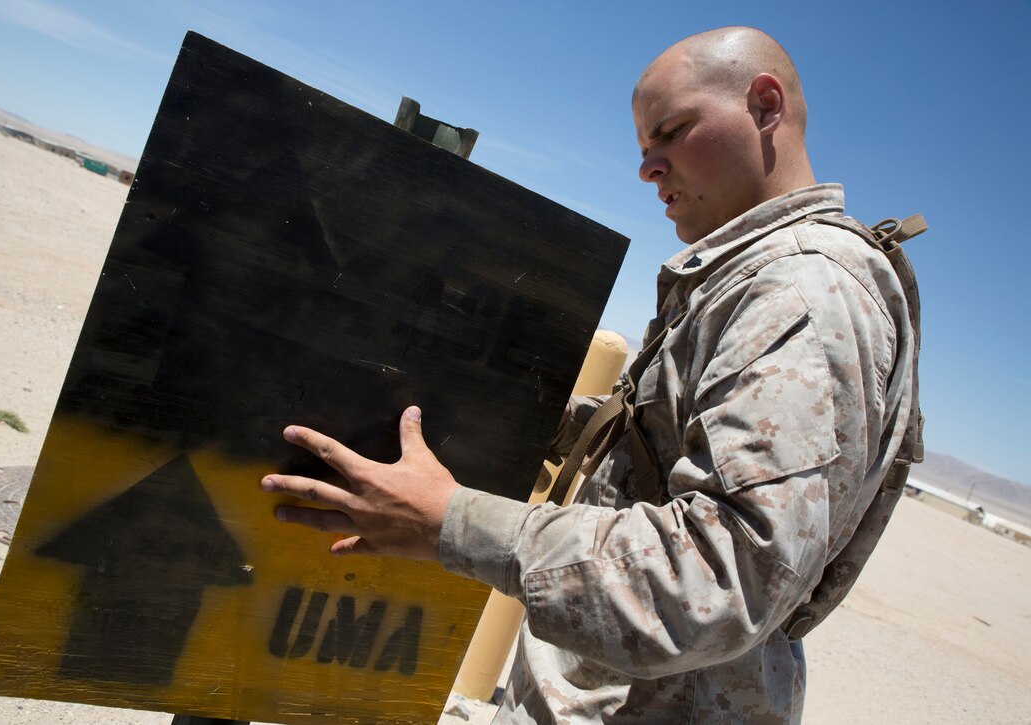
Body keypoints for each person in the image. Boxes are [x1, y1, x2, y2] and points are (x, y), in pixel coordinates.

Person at [261, 26, 918, 723]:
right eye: (644, 149)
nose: (648, 169)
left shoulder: (800, 295)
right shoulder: (753, 278)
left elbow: (723, 575)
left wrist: (451, 522)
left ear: (764, 105)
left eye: (670, 132)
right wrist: (522, 410)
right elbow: (664, 447)